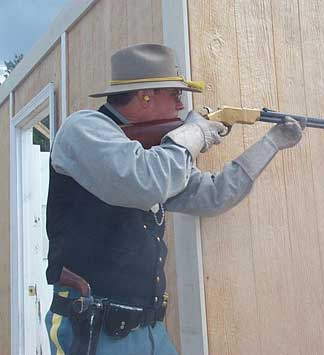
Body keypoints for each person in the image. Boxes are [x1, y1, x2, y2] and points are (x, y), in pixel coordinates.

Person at [44, 43, 304, 355]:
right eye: (175, 95)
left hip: (150, 331)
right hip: (93, 331)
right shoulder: (83, 129)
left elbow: (212, 196)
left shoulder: (157, 153)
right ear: (145, 96)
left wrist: (271, 143)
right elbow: (146, 181)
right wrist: (193, 136)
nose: (181, 107)